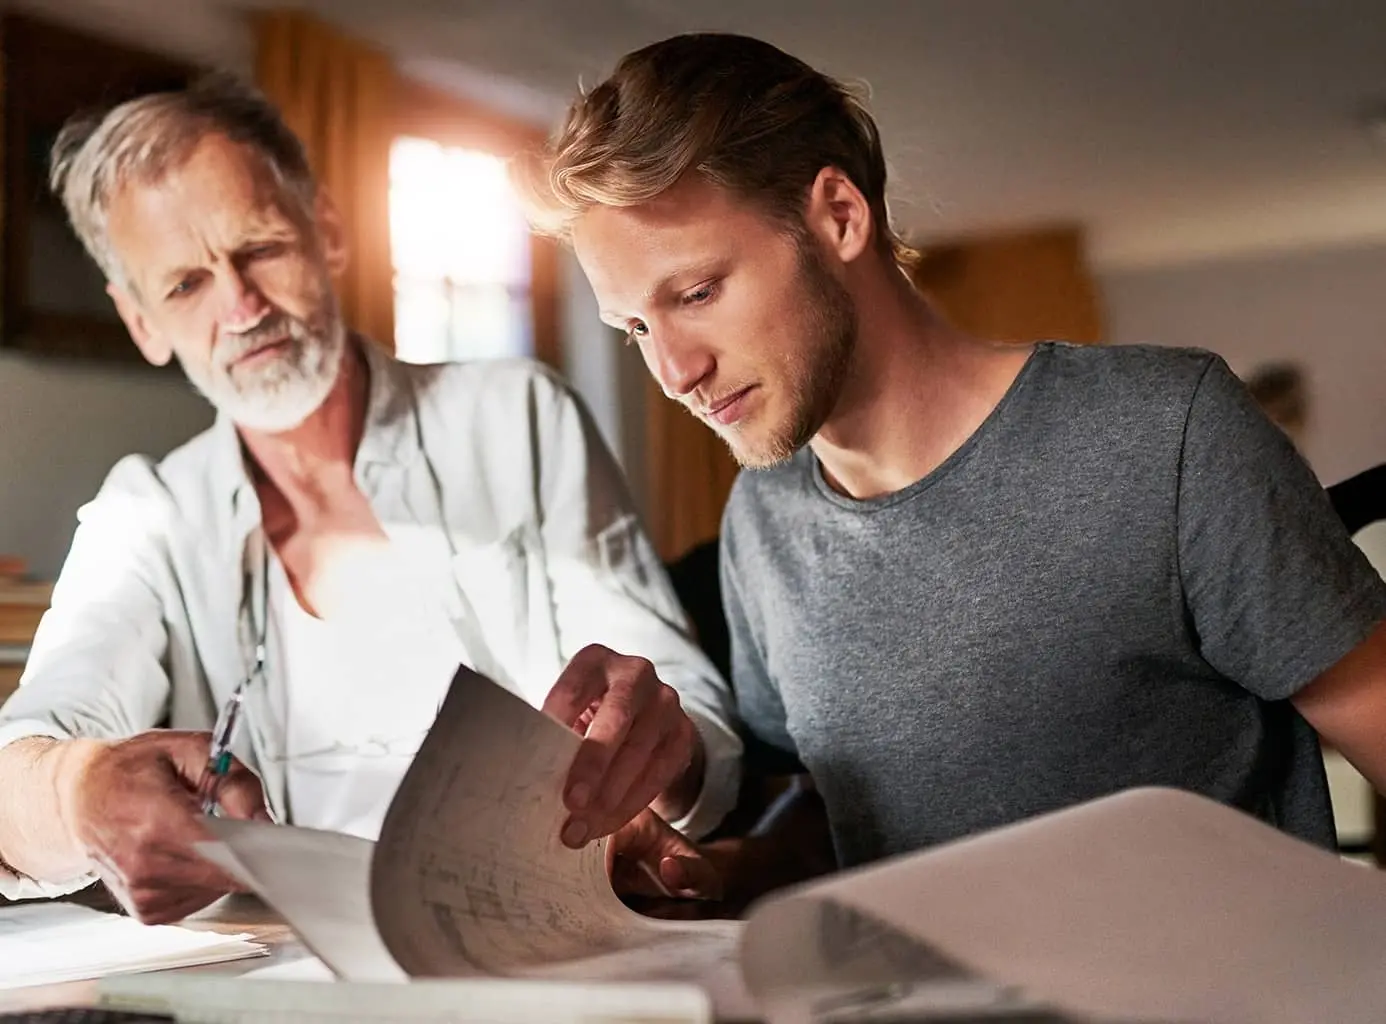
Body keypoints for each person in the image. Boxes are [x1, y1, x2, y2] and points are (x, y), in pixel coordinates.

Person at [517, 32, 1386, 890]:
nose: (672, 372)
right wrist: (688, 869)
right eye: (635, 328)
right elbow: (844, 826)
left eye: (697, 293)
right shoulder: (761, 521)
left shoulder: (1169, 431)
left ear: (839, 217)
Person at [0, 74, 741, 923]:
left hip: (540, 949)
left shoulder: (517, 419)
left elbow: (692, 725)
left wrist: (655, 746)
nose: (241, 307)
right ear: (141, 323)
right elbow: (21, 757)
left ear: (328, 231)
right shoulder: (147, 513)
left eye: (262, 248)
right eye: (185, 286)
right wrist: (76, 795)